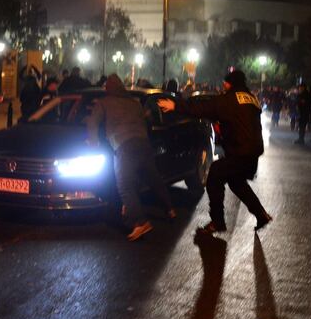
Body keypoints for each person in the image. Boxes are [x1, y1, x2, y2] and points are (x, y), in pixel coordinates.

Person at [158, 70, 272, 233]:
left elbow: (202, 108)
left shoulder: (229, 100)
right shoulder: (252, 99)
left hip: (240, 151)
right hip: (252, 150)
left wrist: (175, 105)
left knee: (214, 176)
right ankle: (261, 215)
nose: (223, 86)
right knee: (236, 182)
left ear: (230, 83)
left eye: (225, 83)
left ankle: (217, 222)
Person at [87, 74, 174, 241]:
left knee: (124, 185)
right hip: (143, 144)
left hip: (124, 146)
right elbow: (145, 121)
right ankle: (170, 208)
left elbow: (92, 123)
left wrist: (93, 142)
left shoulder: (104, 102)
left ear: (108, 88)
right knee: (153, 178)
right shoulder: (134, 103)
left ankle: (140, 222)